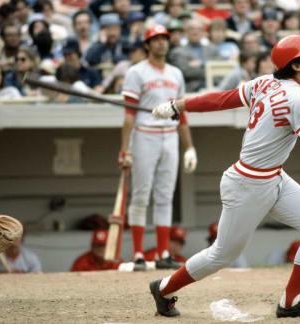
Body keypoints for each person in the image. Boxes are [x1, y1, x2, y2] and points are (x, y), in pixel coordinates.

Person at [149, 35, 300, 318]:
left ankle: (289, 303)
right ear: (296, 65)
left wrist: (179, 105)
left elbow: (221, 99)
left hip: (273, 177)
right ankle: (163, 288)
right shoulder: (298, 99)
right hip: (248, 184)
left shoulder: (265, 82)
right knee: (222, 255)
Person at [117, 24, 197, 272]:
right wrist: (125, 149)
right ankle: (139, 253)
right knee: (141, 195)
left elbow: (181, 115)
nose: (162, 42)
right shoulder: (136, 72)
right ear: (147, 44)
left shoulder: (176, 73)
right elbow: (129, 114)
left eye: (164, 38)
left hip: (169, 136)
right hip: (144, 135)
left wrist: (190, 147)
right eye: (156, 39)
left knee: (165, 196)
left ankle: (163, 253)